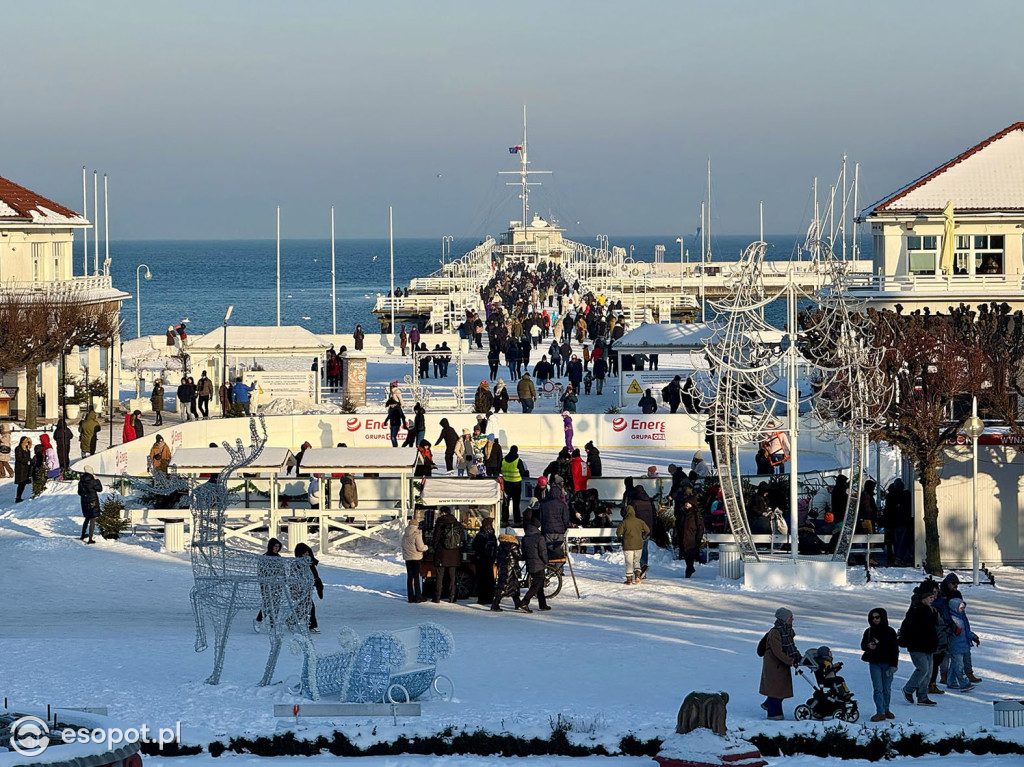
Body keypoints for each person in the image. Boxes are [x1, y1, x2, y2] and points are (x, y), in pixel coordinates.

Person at [899, 579, 940, 706]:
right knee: (923, 669)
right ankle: (908, 689)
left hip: (929, 645)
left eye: (934, 596)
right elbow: (909, 627)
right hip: (917, 645)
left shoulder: (930, 609)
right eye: (931, 596)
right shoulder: (916, 610)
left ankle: (922, 696)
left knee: (928, 672)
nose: (933, 598)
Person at [760, 607, 802, 720]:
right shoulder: (775, 633)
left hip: (781, 665)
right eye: (790, 618)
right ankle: (774, 716)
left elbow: (791, 647)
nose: (792, 620)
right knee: (776, 691)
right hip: (774, 666)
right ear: (784, 619)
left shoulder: (787, 631)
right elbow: (777, 652)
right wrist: (791, 661)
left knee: (779, 689)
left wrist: (799, 658)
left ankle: (768, 704)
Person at [861, 607, 899, 721]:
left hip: (888, 664)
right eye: (872, 618)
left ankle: (886, 709)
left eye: (877, 617)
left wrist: (894, 665)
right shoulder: (869, 631)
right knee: (878, 688)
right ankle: (880, 711)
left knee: (887, 688)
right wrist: (868, 646)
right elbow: (863, 645)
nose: (875, 620)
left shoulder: (890, 631)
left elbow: (894, 649)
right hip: (874, 663)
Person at [431, 506, 464, 603]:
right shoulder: (457, 524)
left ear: (443, 512)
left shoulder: (440, 523)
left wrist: (435, 547)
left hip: (441, 554)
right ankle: (452, 596)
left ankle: (437, 597)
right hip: (454, 554)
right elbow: (462, 538)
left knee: (439, 577)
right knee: (452, 577)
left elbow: (435, 539)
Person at [945, 597, 979, 692]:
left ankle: (951, 682)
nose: (963, 609)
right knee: (959, 666)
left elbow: (967, 630)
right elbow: (946, 632)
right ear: (954, 608)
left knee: (955, 665)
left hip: (964, 644)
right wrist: (953, 631)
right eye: (961, 608)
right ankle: (964, 683)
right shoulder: (950, 619)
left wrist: (974, 637)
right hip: (955, 646)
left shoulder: (963, 617)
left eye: (964, 608)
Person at [518, 522, 550, 613]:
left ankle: (542, 604)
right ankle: (524, 602)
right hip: (538, 564)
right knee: (536, 585)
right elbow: (542, 552)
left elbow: (523, 552)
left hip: (530, 564)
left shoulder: (525, 538)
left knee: (539, 584)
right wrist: (546, 562)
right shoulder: (539, 538)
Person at [253, 538, 283, 631]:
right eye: (275, 546)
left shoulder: (279, 557)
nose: (276, 548)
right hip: (266, 584)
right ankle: (259, 620)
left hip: (277, 584)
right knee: (268, 603)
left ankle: (273, 623)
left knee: (276, 604)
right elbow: (261, 571)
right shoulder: (264, 557)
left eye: (278, 546)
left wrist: (282, 579)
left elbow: (282, 570)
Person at [675, 485, 704, 578]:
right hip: (683, 535)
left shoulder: (696, 514)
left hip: (692, 536)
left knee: (690, 553)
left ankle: (689, 569)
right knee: (686, 553)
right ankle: (690, 567)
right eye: (686, 503)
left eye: (688, 503)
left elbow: (700, 526)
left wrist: (699, 537)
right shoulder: (682, 513)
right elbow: (678, 524)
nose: (686, 504)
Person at [294, 543, 324, 633]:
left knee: (306, 607)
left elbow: (315, 577)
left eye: (307, 553)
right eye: (304, 553)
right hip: (298, 590)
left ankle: (292, 620)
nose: (306, 555)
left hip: (306, 590)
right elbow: (295, 578)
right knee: (307, 607)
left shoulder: (311, 564)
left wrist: (319, 586)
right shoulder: (296, 565)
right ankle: (311, 625)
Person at [617, 505, 650, 585]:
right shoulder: (640, 521)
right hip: (638, 545)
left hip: (628, 545)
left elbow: (618, 533)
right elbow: (647, 530)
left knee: (629, 562)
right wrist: (643, 536)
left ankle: (629, 580)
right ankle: (638, 576)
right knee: (637, 561)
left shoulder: (624, 522)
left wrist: (621, 537)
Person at [491, 533, 524, 612]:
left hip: (503, 568)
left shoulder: (501, 545)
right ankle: (495, 604)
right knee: (505, 586)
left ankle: (517, 603)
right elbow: (518, 556)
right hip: (511, 568)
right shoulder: (513, 545)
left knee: (513, 587)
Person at [401, 512, 429, 603]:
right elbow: (420, 547)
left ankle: (410, 597)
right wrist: (427, 547)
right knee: (416, 577)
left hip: (407, 558)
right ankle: (418, 597)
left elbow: (403, 546)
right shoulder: (417, 534)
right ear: (416, 525)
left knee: (410, 578)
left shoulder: (404, 535)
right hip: (416, 558)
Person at [472, 517, 497, 606]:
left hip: (481, 560)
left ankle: (482, 598)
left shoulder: (481, 534)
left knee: (481, 580)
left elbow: (474, 546)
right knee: (489, 579)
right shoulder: (492, 535)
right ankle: (489, 597)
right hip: (490, 560)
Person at [500, 446, 528, 526]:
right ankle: (517, 521)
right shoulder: (518, 461)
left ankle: (504, 521)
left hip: (506, 484)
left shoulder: (503, 460)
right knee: (516, 504)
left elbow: (499, 470)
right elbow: (522, 472)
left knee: (505, 503)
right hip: (516, 485)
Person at [77, 465, 102, 543]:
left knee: (87, 518)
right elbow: (100, 489)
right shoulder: (93, 481)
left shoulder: (81, 481)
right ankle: (90, 538)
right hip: (92, 502)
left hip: (84, 502)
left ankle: (83, 535)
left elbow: (79, 492)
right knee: (92, 519)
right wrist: (97, 480)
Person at [14, 436, 32, 502]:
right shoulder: (18, 448)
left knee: (23, 483)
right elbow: (19, 458)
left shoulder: (27, 449)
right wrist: (26, 462)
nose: (27, 444)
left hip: (26, 468)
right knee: (21, 483)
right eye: (26, 442)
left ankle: (19, 496)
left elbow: (28, 457)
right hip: (20, 468)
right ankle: (18, 497)